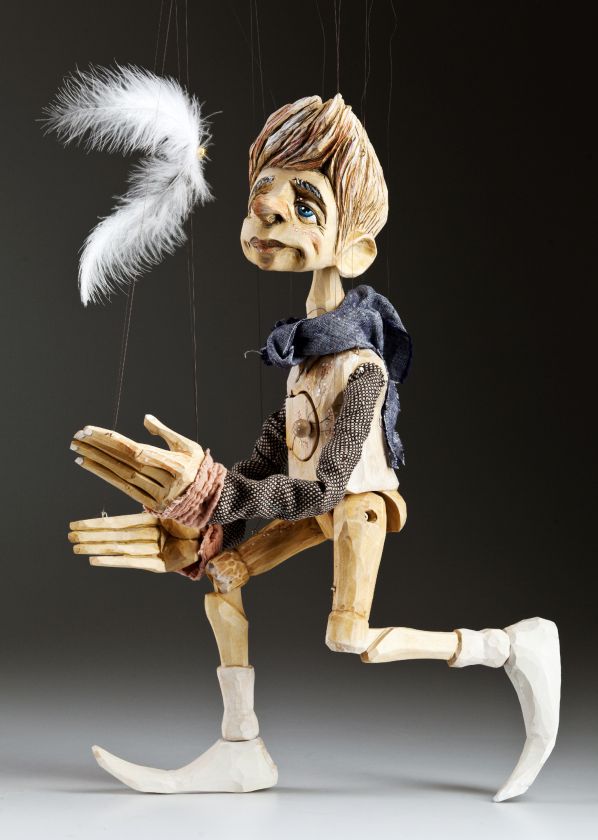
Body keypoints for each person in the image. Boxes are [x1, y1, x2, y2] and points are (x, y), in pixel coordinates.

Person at [69, 95, 560, 801]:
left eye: (305, 206)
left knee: (348, 638)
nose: (267, 208)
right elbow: (272, 454)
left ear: (354, 248)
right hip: (315, 503)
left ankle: (510, 646)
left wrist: (225, 494)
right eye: (266, 189)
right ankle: (241, 748)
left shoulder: (361, 369)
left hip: (353, 506)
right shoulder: (306, 360)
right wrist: (204, 517)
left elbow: (328, 486)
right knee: (224, 576)